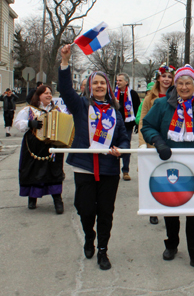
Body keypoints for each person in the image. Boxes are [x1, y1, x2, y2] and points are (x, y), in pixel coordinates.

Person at [141, 64, 194, 271]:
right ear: (175, 84)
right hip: (170, 164)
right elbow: (147, 126)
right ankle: (172, 244)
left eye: (188, 83)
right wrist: (158, 142)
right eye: (180, 83)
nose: (184, 87)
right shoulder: (161, 104)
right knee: (171, 208)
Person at [59, 44, 130, 270]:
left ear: (108, 88)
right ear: (90, 87)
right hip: (84, 167)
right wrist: (64, 62)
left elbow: (123, 138)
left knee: (106, 212)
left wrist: (122, 149)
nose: (99, 86)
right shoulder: (81, 106)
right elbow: (65, 89)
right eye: (95, 83)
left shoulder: (115, 112)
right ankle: (89, 237)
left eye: (103, 83)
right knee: (86, 209)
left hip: (109, 168)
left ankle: (102, 250)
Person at [13, 85, 65, 214]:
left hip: (52, 146)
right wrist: (30, 123)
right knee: (33, 170)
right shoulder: (29, 110)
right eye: (46, 93)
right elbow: (18, 123)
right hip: (33, 146)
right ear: (39, 95)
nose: (49, 95)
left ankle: (57, 200)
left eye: (50, 93)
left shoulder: (57, 110)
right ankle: (32, 198)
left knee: (54, 171)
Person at [138, 64, 176, 225]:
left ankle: (170, 204)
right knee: (152, 176)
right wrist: (142, 143)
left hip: (171, 142)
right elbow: (143, 121)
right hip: (153, 143)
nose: (166, 79)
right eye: (164, 76)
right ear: (158, 78)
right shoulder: (149, 98)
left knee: (169, 176)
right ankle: (152, 208)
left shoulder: (176, 95)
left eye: (169, 76)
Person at [114, 73, 140, 181]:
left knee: (126, 147)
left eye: (120, 80)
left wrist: (136, 124)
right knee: (114, 147)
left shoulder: (132, 94)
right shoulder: (113, 94)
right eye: (117, 80)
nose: (118, 82)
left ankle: (125, 170)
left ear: (126, 82)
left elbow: (138, 108)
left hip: (127, 125)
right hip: (114, 125)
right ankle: (114, 171)